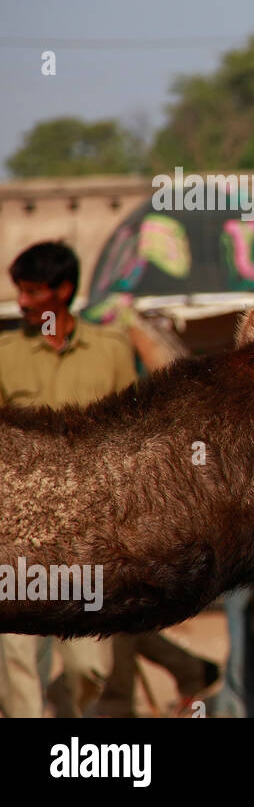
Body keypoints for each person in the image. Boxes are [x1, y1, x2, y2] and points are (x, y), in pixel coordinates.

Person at [0, 242, 134, 717]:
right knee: (18, 667)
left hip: (88, 538)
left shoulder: (111, 350)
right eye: (21, 290)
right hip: (17, 535)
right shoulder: (5, 354)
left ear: (64, 291)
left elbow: (133, 442)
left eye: (33, 290)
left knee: (89, 668)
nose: (22, 301)